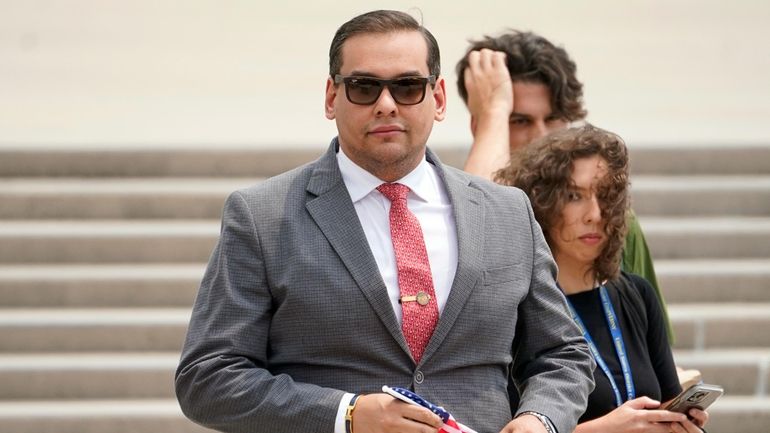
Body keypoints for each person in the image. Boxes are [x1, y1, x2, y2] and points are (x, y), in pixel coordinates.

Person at [175, 10, 595, 433]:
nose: (386, 104)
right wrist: (347, 414)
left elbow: (562, 355)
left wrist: (539, 419)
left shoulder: (507, 211)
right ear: (330, 97)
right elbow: (207, 377)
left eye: (408, 86)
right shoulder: (261, 215)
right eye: (363, 87)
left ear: (439, 99)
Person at [454, 31, 673, 342]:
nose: (543, 136)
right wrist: (492, 112)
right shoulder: (466, 204)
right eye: (519, 121)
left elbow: (654, 350)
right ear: (483, 127)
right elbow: (477, 224)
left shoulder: (610, 218)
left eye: (554, 119)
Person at [497, 124, 708, 433]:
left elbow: (667, 402)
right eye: (574, 196)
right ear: (542, 203)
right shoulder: (517, 309)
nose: (595, 213)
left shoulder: (636, 293)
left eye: (607, 195)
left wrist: (681, 422)